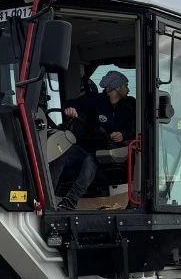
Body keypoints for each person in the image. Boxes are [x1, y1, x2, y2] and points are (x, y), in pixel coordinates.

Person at [48, 70, 137, 209]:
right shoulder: (95, 101)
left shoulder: (130, 106)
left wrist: (123, 135)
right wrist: (69, 110)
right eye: (125, 84)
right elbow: (70, 104)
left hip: (110, 152)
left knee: (91, 160)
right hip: (86, 146)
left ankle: (70, 201)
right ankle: (47, 196)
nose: (128, 88)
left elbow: (137, 130)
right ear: (116, 87)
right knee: (62, 155)